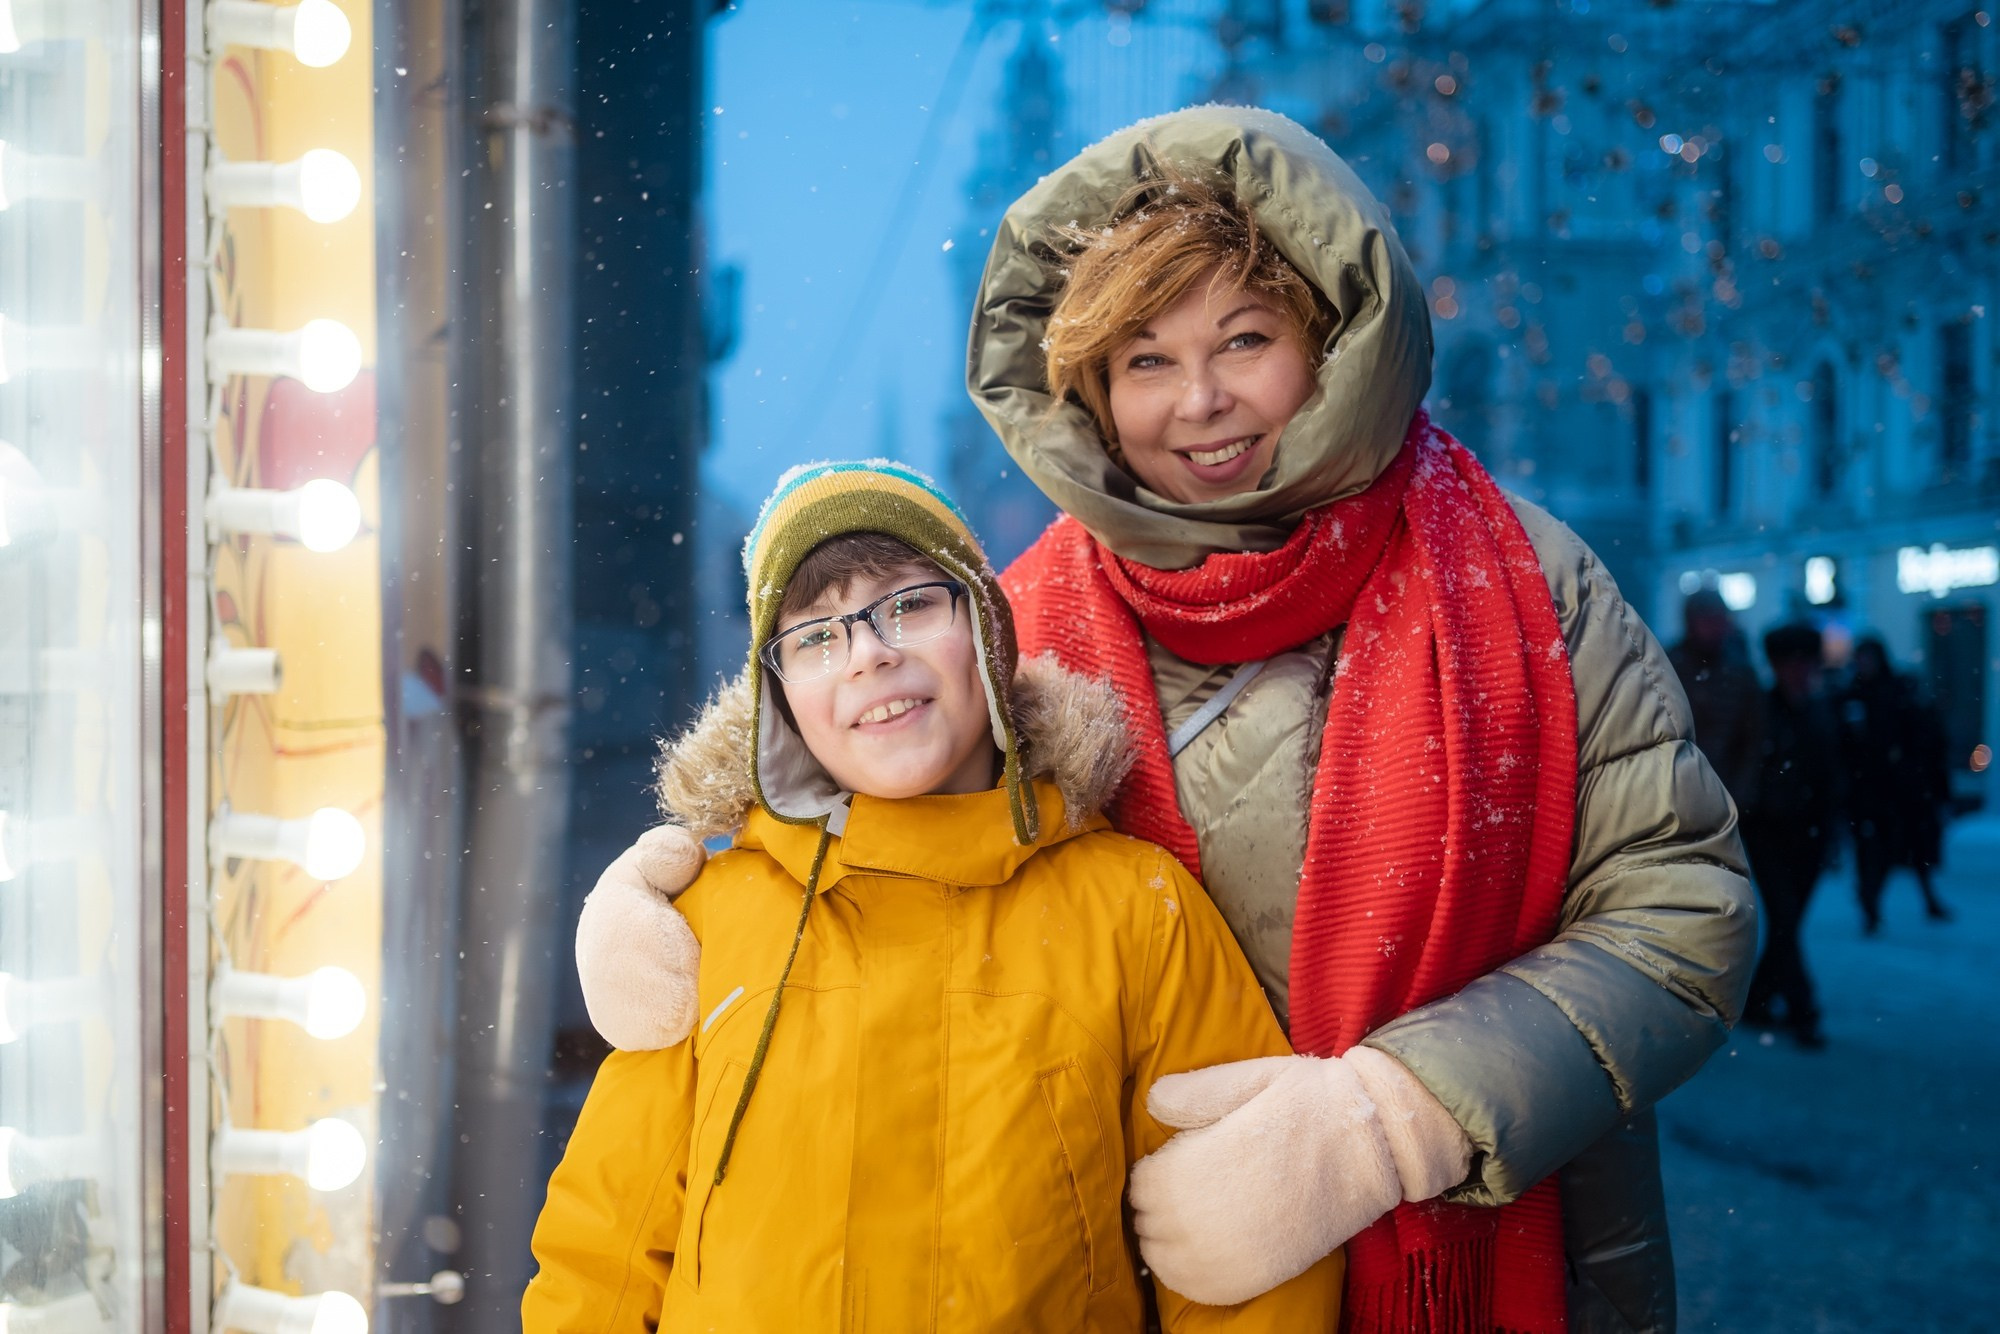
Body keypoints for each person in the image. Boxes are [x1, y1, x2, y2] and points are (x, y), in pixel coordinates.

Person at [576, 108, 1756, 1334]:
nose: (1198, 401)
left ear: (1330, 341)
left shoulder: (1521, 582)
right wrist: (681, 910)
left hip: (1486, 1242)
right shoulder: (1013, 621)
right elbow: (886, 843)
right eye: (1142, 361)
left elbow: (1681, 913)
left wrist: (1393, 1117)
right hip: (1137, 1279)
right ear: (1086, 391)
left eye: (1243, 340)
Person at [523, 461, 1346, 1331]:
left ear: (988, 634)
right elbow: (601, 1253)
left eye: (909, 605)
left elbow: (1246, 1252)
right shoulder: (708, 921)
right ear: (782, 702)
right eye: (815, 636)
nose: (870, 653)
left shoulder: (1134, 910)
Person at [1738, 623, 1841, 1048]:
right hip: (1768, 829)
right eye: (1791, 663)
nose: (1800, 672)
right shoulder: (1764, 709)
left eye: (1806, 663)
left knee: (1789, 922)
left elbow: (1833, 773)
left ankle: (1758, 999)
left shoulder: (1821, 710)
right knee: (1784, 918)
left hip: (1809, 832)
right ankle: (1804, 1010)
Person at [1838, 635, 1954, 932]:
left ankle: (1886, 904)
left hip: (1899, 791)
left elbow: (1923, 738)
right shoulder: (1853, 696)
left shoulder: (1894, 692)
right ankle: (1871, 907)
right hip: (1869, 792)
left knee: (1903, 849)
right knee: (1875, 853)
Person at [1667, 587, 1766, 807]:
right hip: (1680, 786)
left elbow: (1752, 737)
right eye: (1707, 620)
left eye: (1718, 619)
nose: (1714, 627)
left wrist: (1741, 792)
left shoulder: (1740, 672)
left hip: (1728, 786)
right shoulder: (1670, 666)